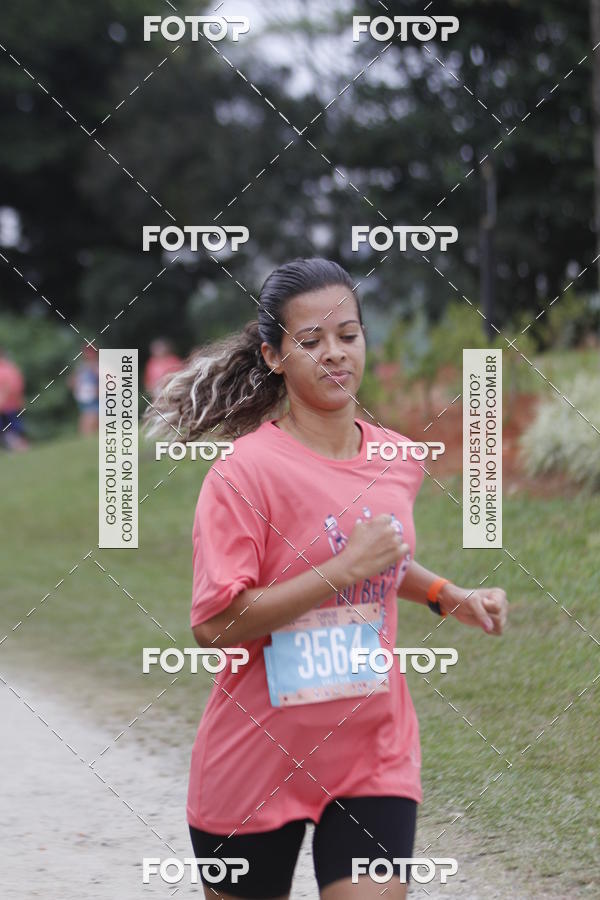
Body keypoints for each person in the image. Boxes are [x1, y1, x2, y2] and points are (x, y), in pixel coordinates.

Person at [146, 258, 508, 900]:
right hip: (256, 756)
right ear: (274, 356)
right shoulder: (242, 475)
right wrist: (339, 571)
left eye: (349, 334)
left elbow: (380, 556)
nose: (335, 354)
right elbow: (214, 623)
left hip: (372, 751)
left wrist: (448, 595)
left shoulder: (395, 459)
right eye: (311, 343)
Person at [0, 348, 28, 451]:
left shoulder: (5, 369)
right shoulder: (10, 368)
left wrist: (2, 399)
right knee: (11, 428)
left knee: (12, 429)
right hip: (10, 404)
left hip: (7, 405)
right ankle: (17, 448)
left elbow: (10, 386)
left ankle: (19, 448)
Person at [69, 344, 99, 434]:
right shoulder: (81, 368)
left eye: (91, 352)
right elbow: (71, 383)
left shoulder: (100, 366)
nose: (88, 355)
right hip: (85, 404)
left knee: (88, 429)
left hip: (97, 403)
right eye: (87, 352)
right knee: (85, 430)